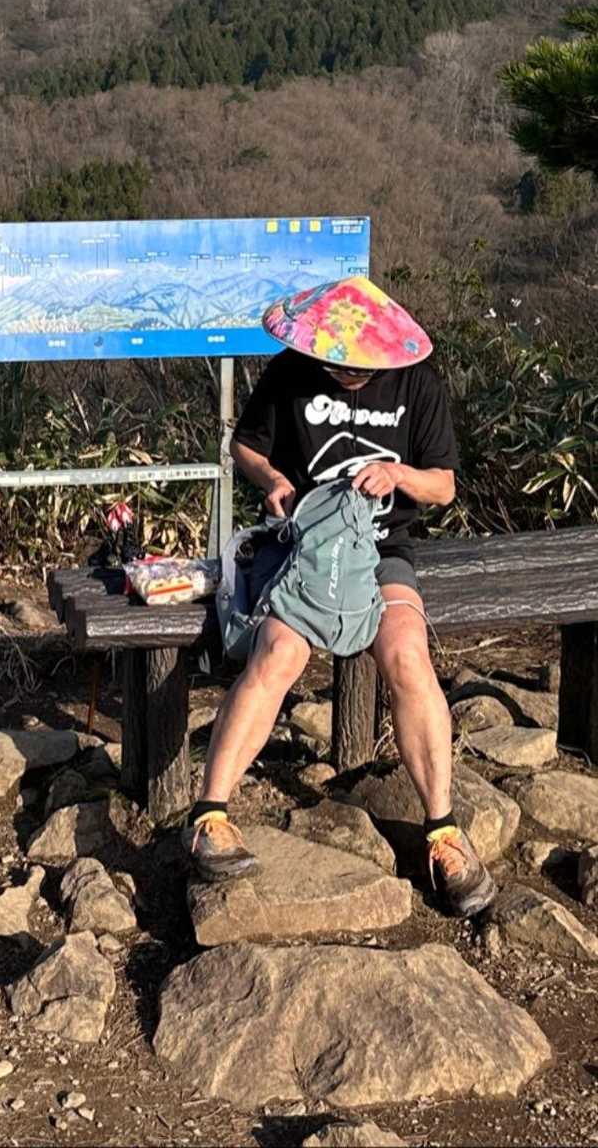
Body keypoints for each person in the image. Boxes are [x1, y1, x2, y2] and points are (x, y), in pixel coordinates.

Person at [182, 273, 495, 919]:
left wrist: (398, 474)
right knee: (278, 654)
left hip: (383, 551)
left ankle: (443, 833)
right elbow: (246, 446)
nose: (348, 373)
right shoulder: (290, 372)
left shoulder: (417, 383)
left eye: (359, 365)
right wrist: (273, 480)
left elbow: (443, 486)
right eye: (338, 364)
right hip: (305, 547)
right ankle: (210, 815)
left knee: (407, 657)